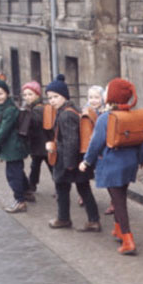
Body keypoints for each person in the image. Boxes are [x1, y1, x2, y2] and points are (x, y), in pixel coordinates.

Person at [80, 78, 140, 254]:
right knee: (118, 197)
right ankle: (118, 229)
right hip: (129, 163)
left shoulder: (106, 117)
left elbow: (95, 143)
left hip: (112, 164)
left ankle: (128, 240)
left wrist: (86, 161)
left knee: (119, 201)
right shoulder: (131, 115)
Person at [45, 74, 100, 231]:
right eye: (50, 98)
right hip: (78, 158)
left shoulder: (66, 114)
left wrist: (69, 164)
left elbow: (70, 140)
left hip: (68, 160)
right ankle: (93, 220)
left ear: (64, 96)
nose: (52, 101)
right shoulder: (72, 109)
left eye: (55, 97)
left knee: (62, 187)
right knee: (83, 188)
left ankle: (64, 219)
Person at [0, 79, 30, 213]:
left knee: (12, 174)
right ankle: (27, 191)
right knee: (17, 170)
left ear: (7, 93)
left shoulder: (10, 109)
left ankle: (20, 201)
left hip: (14, 146)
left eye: (1, 93)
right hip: (10, 146)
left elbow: (4, 130)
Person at [21, 81, 53, 193]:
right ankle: (32, 185)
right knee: (36, 166)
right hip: (38, 144)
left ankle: (33, 185)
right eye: (25, 95)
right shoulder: (33, 108)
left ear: (37, 95)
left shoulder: (37, 109)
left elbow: (34, 125)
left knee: (47, 166)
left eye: (30, 94)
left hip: (41, 143)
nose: (27, 97)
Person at [81, 85, 109, 212]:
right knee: (85, 174)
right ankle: (84, 195)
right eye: (90, 97)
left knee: (107, 176)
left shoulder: (105, 112)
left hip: (102, 148)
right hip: (89, 147)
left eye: (97, 97)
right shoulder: (85, 111)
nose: (93, 100)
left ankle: (113, 200)